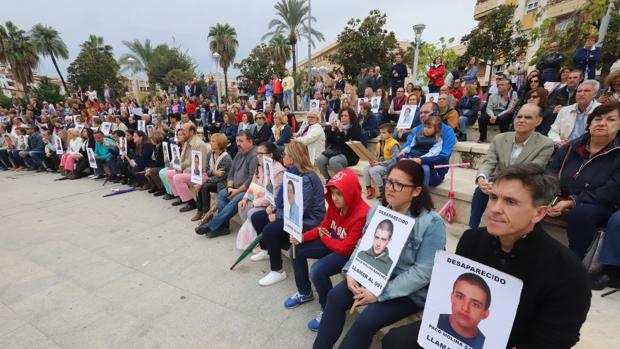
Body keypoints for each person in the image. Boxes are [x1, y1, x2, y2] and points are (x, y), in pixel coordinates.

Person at [383, 163, 591, 349]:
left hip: (514, 341)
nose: (495, 209)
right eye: (493, 197)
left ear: (539, 213)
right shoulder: (472, 240)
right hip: (455, 333)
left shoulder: (568, 272)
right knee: (396, 341)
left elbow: (557, 339)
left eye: (510, 201)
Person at [313, 160, 446, 349]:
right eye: (389, 181)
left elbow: (423, 272)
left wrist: (380, 292)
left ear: (416, 191)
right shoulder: (377, 211)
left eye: (398, 184)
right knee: (335, 297)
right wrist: (352, 270)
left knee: (366, 321)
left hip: (409, 289)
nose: (389, 188)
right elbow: (362, 245)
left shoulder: (431, 223)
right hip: (374, 271)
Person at [547, 102, 620, 259]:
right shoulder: (571, 147)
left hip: (599, 204)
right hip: (562, 196)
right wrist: (549, 196)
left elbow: (612, 191)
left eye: (611, 119)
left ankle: (574, 259)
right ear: (590, 123)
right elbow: (551, 172)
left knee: (581, 213)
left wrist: (573, 201)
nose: (602, 123)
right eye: (597, 119)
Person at [250, 142, 326, 286]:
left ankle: (277, 271)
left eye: (285, 154)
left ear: (294, 157)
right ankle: (268, 250)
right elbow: (286, 199)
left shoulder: (306, 178)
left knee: (270, 229)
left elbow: (300, 209)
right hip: (297, 214)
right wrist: (274, 206)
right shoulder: (293, 171)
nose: (283, 156)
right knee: (257, 217)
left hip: (309, 220)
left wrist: (277, 215)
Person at [469, 104, 554, 229]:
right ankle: (472, 228)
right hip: (499, 180)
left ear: (538, 121)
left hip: (525, 183)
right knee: (481, 191)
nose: (521, 120)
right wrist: (481, 178)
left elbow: (533, 169)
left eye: (528, 117)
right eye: (519, 116)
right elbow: (489, 161)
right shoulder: (500, 138)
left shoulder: (545, 144)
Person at [195, 130, 258, 238]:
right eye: (237, 140)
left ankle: (211, 225)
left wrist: (236, 191)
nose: (238, 143)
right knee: (222, 194)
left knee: (234, 200)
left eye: (241, 141)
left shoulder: (254, 156)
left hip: (248, 191)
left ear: (250, 141)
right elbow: (231, 172)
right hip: (234, 187)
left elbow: (251, 179)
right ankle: (224, 228)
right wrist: (229, 187)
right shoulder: (239, 153)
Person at [436, 273, 490, 349]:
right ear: (451, 297)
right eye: (460, 297)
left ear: (485, 314)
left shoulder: (487, 345)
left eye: (475, 304)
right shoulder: (433, 320)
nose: (465, 308)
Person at [192, 133, 233, 222]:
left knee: (204, 185)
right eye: (211, 141)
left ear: (220, 143)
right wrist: (214, 172)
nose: (210, 143)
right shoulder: (210, 153)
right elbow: (207, 170)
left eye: (213, 141)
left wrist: (205, 180)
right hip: (214, 180)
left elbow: (221, 177)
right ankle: (199, 211)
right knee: (202, 185)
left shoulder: (226, 158)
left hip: (223, 183)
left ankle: (206, 213)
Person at [169, 123, 209, 212]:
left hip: (200, 174)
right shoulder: (187, 142)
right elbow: (185, 160)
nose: (181, 133)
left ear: (191, 132)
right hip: (189, 170)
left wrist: (184, 171)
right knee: (169, 173)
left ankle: (191, 203)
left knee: (177, 177)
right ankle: (181, 197)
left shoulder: (199, 144)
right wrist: (178, 167)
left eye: (184, 130)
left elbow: (200, 166)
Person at [548, 80, 601, 147]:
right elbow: (553, 131)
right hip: (565, 148)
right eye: (579, 91)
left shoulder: (602, 110)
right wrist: (558, 142)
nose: (581, 94)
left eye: (586, 91)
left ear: (595, 94)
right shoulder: (565, 110)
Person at [315, 107, 362, 182]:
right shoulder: (338, 126)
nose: (343, 117)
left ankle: (346, 181)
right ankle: (328, 179)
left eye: (346, 116)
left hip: (350, 154)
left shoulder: (355, 128)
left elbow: (348, 145)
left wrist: (342, 132)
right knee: (319, 160)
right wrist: (332, 130)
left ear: (351, 117)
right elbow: (329, 142)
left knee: (333, 161)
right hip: (336, 151)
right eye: (342, 115)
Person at [363, 123, 400, 199]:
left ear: (390, 134)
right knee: (366, 169)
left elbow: (394, 161)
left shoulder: (394, 144)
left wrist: (379, 163)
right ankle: (369, 188)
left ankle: (382, 190)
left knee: (373, 171)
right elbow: (376, 156)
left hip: (389, 166)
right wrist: (372, 160)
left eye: (384, 133)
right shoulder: (379, 143)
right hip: (380, 164)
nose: (381, 135)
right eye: (380, 133)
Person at [477, 78, 519, 142]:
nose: (499, 86)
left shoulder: (513, 94)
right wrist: (492, 116)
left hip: (505, 114)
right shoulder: (493, 95)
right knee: (482, 118)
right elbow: (489, 108)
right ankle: (483, 138)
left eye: (502, 85)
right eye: (498, 85)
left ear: (508, 86)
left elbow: (510, 109)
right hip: (493, 115)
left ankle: (504, 139)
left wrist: (497, 116)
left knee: (503, 119)